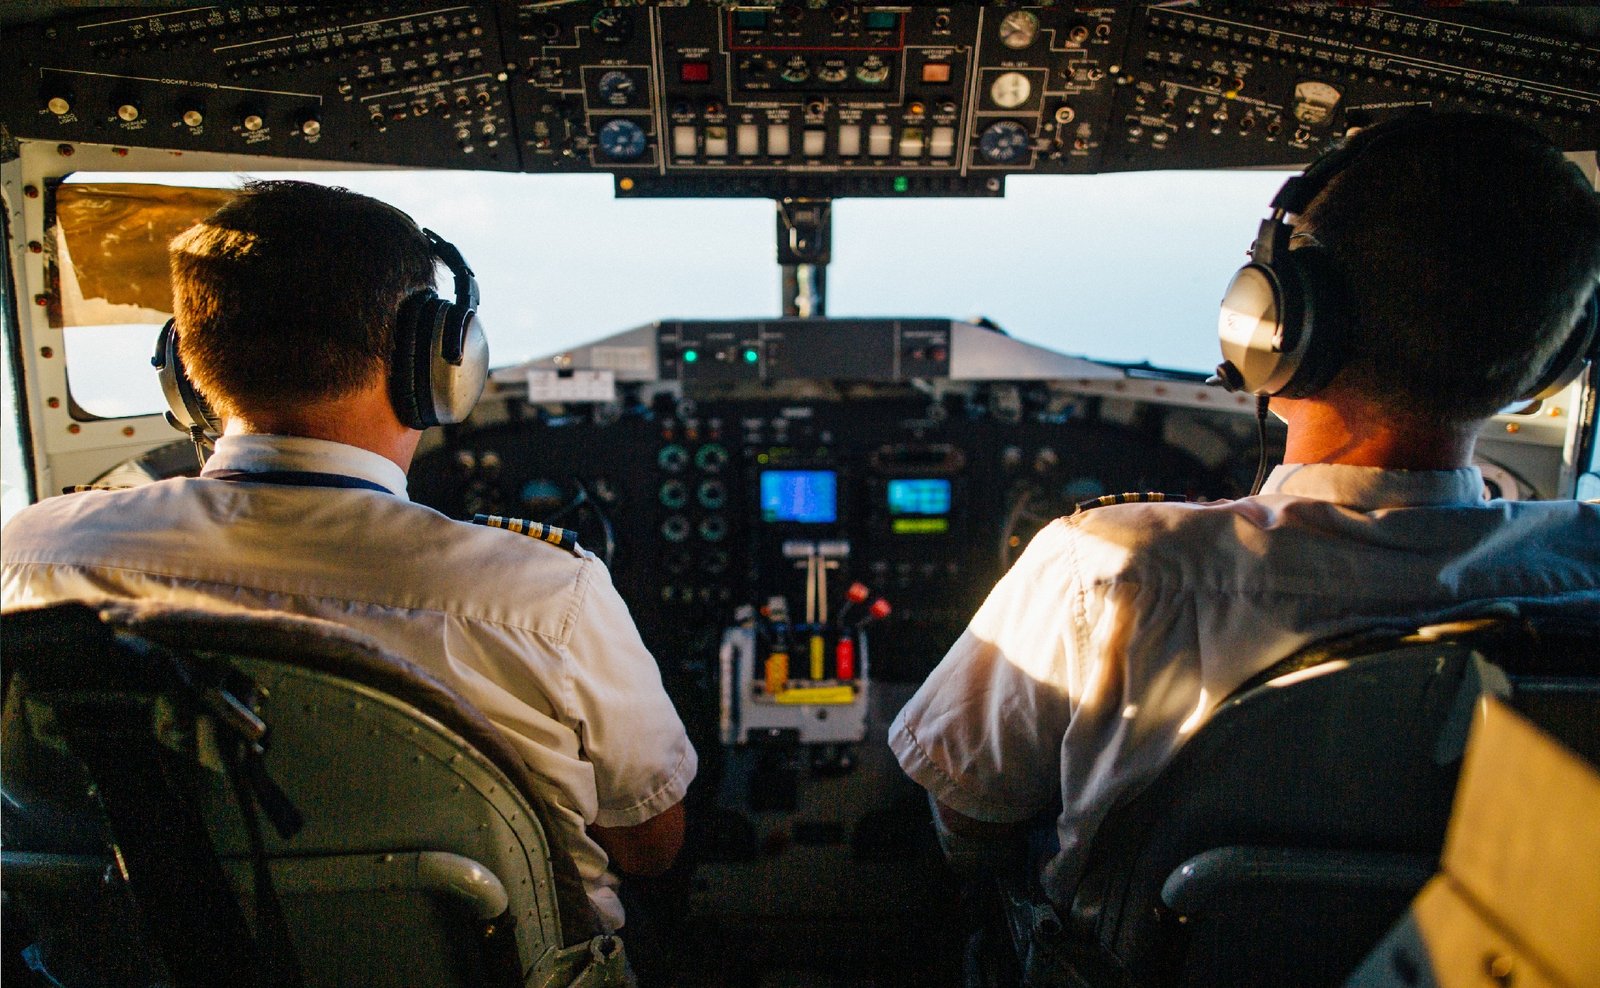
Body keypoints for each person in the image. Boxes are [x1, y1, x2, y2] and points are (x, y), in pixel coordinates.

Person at [888, 112, 1600, 906]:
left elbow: (971, 821)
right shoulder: (1586, 570)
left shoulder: (1110, 572)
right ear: (1557, 356)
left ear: (1278, 324)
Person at [0, 180, 696, 933]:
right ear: (439, 361)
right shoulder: (545, 600)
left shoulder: (29, 557)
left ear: (186, 368)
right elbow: (650, 846)